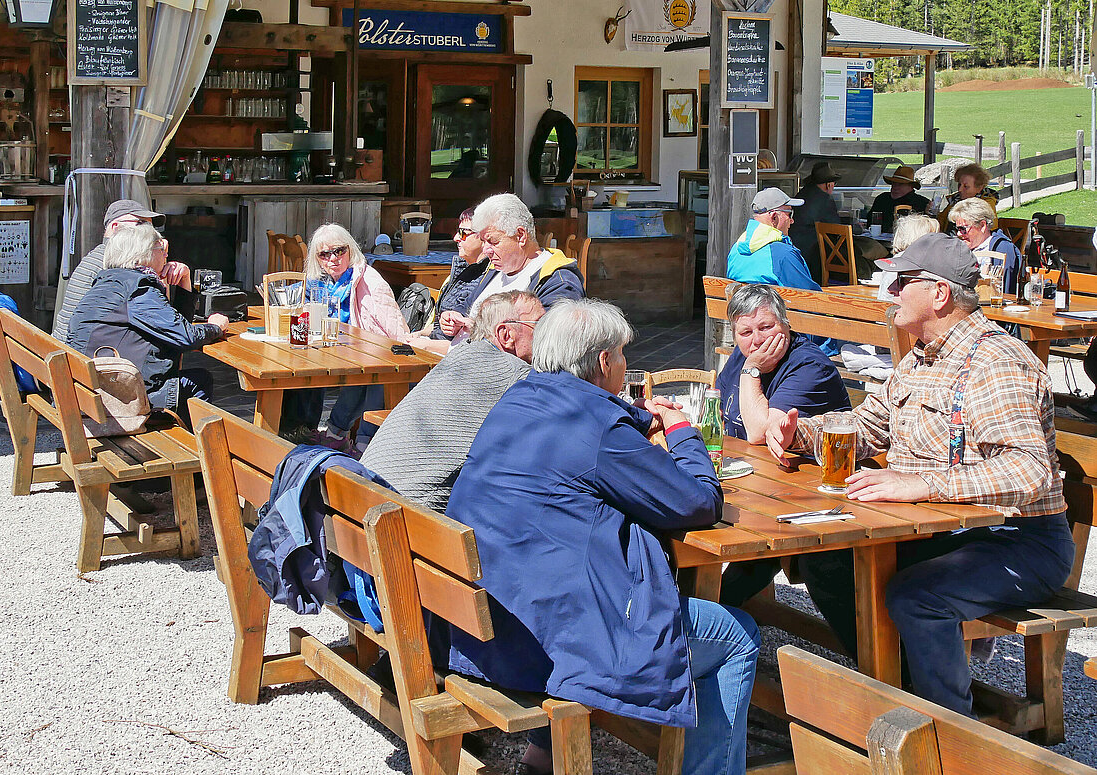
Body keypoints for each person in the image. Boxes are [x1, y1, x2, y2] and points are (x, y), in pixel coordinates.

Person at [436, 298, 759, 775]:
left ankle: (542, 759)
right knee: (738, 635)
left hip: (487, 624)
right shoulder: (601, 428)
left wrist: (633, 421)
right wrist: (682, 432)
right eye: (623, 354)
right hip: (544, 644)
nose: (626, 363)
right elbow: (696, 502)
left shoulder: (519, 397)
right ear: (605, 360)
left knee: (571, 573)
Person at [766, 233, 1073, 718]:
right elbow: (869, 426)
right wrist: (800, 432)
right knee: (826, 560)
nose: (889, 291)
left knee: (917, 595)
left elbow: (1028, 469)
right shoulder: (921, 356)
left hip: (1017, 540)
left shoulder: (995, 362)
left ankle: (948, 731)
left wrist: (922, 484)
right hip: (945, 530)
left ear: (939, 293)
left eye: (901, 282)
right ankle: (899, 686)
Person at [715, 284, 850, 607]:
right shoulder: (744, 354)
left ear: (786, 325)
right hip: (759, 481)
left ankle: (711, 611)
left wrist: (751, 371)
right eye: (746, 332)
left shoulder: (807, 365)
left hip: (809, 494)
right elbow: (719, 408)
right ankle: (705, 607)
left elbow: (758, 433)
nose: (758, 340)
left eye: (766, 327)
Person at [360, 291, 543, 512]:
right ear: (505, 335)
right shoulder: (517, 373)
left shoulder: (461, 354)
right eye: (540, 325)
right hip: (406, 516)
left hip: (361, 495)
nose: (548, 332)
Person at [67, 223, 228, 427]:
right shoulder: (138, 289)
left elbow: (175, 329)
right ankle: (194, 445)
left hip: (90, 393)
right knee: (199, 380)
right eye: (161, 249)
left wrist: (184, 281)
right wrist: (216, 327)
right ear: (144, 254)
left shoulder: (110, 282)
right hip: (118, 401)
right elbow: (185, 337)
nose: (166, 255)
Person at [307, 223, 410, 454]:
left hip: (381, 355)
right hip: (349, 352)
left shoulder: (368, 280)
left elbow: (395, 329)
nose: (333, 258)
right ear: (318, 259)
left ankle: (362, 443)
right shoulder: (324, 283)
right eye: (325, 254)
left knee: (373, 375)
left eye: (339, 251)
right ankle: (333, 433)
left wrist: (405, 357)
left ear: (350, 250)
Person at [442, 193, 584, 342]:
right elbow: (468, 306)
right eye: (483, 241)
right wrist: (453, 318)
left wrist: (481, 330)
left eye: (493, 242)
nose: (486, 250)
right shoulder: (496, 268)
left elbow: (548, 343)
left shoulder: (558, 281)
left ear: (520, 236)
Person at [53, 199, 174, 342]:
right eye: (141, 224)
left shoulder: (102, 255)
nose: (149, 232)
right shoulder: (117, 262)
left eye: (151, 227)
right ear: (116, 228)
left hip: (66, 348)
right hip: (80, 350)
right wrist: (161, 263)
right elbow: (164, 322)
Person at [405, 206, 489, 356]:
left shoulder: (489, 280)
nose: (456, 238)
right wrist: (419, 334)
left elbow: (475, 345)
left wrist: (427, 345)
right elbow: (438, 324)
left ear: (484, 237)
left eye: (463, 232)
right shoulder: (458, 273)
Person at [789, 162, 887, 282]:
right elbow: (836, 229)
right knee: (863, 252)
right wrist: (857, 228)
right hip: (815, 254)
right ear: (828, 185)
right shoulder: (825, 199)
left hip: (796, 247)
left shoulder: (802, 193)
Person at [727, 188, 818, 291]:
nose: (792, 220)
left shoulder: (735, 250)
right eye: (790, 214)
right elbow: (809, 295)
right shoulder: (784, 255)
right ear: (774, 217)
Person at [949, 197, 1022, 296]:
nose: (959, 234)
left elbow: (1006, 291)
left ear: (982, 226)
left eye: (963, 229)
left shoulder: (1001, 249)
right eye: (957, 229)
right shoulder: (961, 248)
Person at [869, 166, 931, 235]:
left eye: (900, 184)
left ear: (911, 186)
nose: (895, 187)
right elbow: (870, 221)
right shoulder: (882, 199)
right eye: (893, 183)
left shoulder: (922, 203)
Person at [938, 163, 999, 231]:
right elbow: (941, 222)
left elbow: (990, 229)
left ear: (979, 188)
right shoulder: (954, 200)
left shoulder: (986, 205)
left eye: (966, 186)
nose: (960, 189)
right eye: (959, 184)